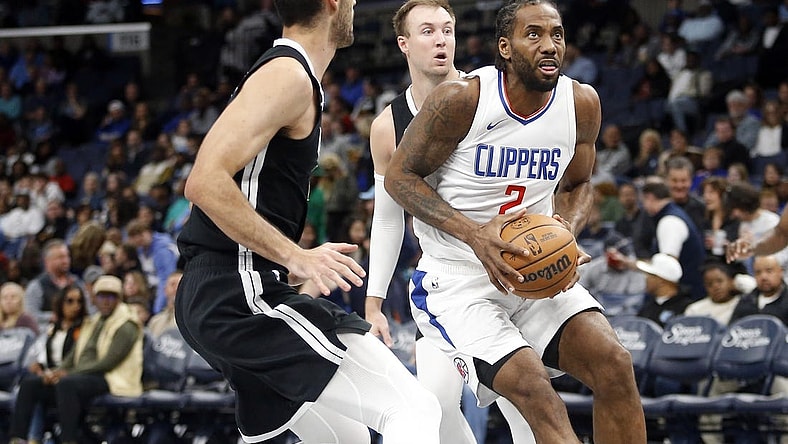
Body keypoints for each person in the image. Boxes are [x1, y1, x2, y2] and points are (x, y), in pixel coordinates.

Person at [174, 1, 442, 443]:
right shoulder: (288, 74)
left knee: (349, 438)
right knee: (412, 408)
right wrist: (294, 256)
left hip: (228, 291)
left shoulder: (293, 75)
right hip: (237, 291)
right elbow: (203, 181)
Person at [384, 1, 646, 443]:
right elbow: (398, 179)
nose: (550, 45)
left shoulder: (580, 103)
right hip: (460, 283)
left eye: (557, 34)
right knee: (535, 393)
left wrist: (565, 230)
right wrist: (474, 235)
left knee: (615, 365)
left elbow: (579, 182)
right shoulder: (462, 100)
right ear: (505, 47)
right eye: (534, 35)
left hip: (536, 273)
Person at [364, 1, 534, 443]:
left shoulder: (492, 95)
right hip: (446, 279)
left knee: (525, 407)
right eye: (427, 31)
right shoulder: (388, 126)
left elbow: (538, 171)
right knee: (434, 401)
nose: (440, 39)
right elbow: (387, 220)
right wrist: (374, 301)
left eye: (447, 30)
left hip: (511, 269)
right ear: (403, 44)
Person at [8, 275, 143, 444]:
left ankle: (69, 440)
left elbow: (108, 362)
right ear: (94, 299)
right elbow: (74, 355)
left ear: (119, 299)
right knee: (31, 384)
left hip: (111, 378)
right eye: (102, 296)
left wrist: (67, 373)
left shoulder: (127, 324)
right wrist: (55, 373)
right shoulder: (93, 322)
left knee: (67, 383)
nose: (106, 301)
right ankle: (17, 438)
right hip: (84, 377)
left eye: (111, 296)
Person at [23, 285, 89, 444]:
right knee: (30, 387)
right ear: (60, 303)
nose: (75, 306)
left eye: (79, 301)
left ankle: (67, 439)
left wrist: (63, 372)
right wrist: (40, 369)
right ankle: (28, 439)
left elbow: (85, 359)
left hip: (74, 379)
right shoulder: (52, 329)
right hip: (51, 376)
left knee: (62, 386)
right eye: (70, 301)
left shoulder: (87, 328)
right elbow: (41, 356)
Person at [640, 180, 707, 299]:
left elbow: (668, 269)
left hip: (685, 296)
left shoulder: (669, 222)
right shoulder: (671, 214)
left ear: (649, 198)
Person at [634, 252, 693, 327]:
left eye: (650, 275)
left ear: (661, 281)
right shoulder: (647, 308)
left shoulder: (687, 308)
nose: (646, 278)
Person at [146, 270, 181, 338]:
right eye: (173, 284)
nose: (176, 288)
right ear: (165, 290)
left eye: (180, 284)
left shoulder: (191, 320)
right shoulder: (155, 321)